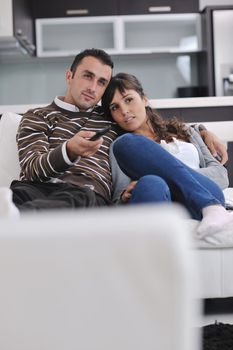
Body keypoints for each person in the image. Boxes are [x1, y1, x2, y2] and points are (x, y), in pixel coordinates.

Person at [0, 49, 228, 217]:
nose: (93, 88)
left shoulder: (107, 117)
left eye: (101, 82)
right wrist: (69, 150)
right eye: (87, 76)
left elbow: (147, 134)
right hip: (34, 190)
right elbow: (31, 169)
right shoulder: (38, 116)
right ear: (69, 76)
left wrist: (202, 131)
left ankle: (18, 220)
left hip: (84, 194)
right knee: (19, 198)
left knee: (74, 199)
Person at [101, 72, 233, 236]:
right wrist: (124, 196)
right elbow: (117, 201)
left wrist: (169, 173)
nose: (124, 111)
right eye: (115, 107)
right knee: (149, 179)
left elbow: (221, 176)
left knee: (153, 177)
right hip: (157, 198)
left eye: (128, 100)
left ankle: (209, 206)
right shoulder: (124, 148)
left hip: (207, 193)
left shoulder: (187, 131)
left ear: (144, 99)